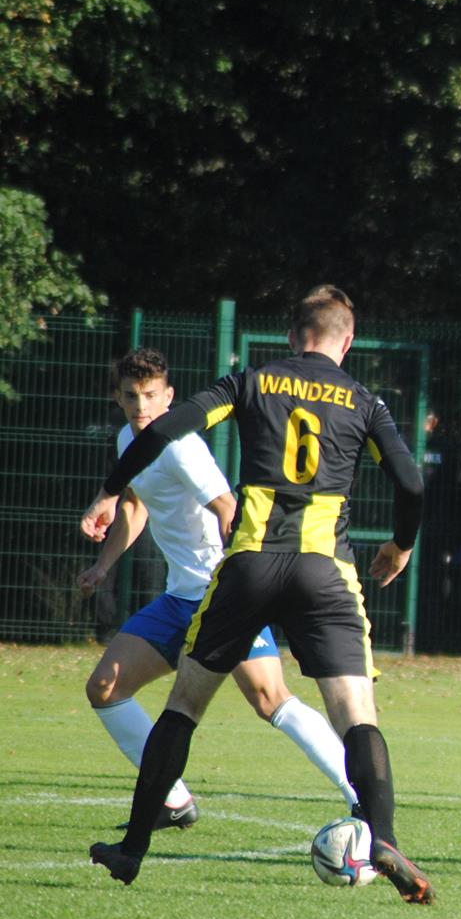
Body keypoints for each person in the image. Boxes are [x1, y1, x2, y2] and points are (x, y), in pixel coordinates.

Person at [80, 286, 434, 903]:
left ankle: (133, 847)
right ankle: (383, 837)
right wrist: (400, 545)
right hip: (324, 571)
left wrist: (112, 489)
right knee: (357, 716)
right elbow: (410, 480)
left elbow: (167, 429)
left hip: (249, 564)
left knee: (185, 704)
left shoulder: (251, 382)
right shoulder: (364, 401)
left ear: (292, 336)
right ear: (345, 342)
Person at [76, 348, 360, 832]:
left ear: (168, 396)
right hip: (180, 598)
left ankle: (361, 796)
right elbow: (137, 505)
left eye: (150, 396)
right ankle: (172, 799)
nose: (140, 406)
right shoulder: (130, 439)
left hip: (219, 594)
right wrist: (104, 565)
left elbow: (228, 506)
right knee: (105, 687)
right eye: (130, 396)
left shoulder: (181, 445)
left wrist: (244, 582)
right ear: (117, 397)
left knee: (271, 698)